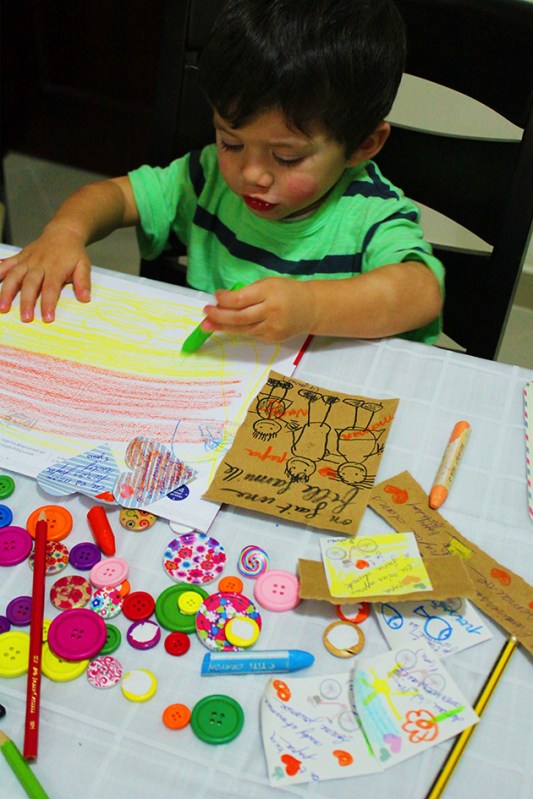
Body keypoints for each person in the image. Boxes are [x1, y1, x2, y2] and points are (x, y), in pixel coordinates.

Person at [0, 0, 444, 344]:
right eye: (231, 142)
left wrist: (310, 308)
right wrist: (64, 232)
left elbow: (420, 293)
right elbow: (116, 196)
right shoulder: (208, 177)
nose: (251, 173)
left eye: (286, 157)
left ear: (363, 145)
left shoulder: (370, 213)